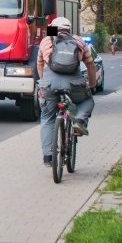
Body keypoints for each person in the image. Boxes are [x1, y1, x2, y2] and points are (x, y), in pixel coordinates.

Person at [36, 17, 96, 167]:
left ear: (53, 28)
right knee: (88, 101)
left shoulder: (46, 41)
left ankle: (48, 156)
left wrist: (45, 82)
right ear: (69, 28)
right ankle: (79, 121)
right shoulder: (78, 41)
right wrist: (92, 84)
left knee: (47, 117)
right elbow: (90, 64)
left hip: (49, 84)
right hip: (73, 83)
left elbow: (40, 64)